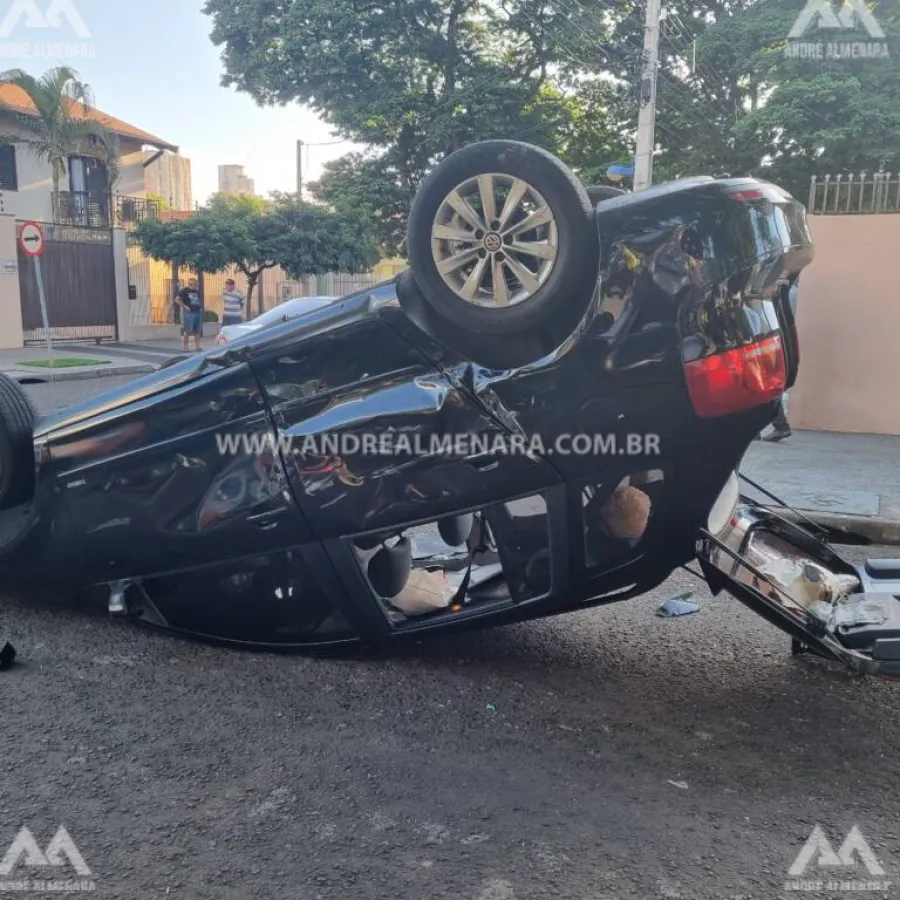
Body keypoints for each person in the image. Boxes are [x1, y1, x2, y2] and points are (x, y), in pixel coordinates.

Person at [762, 277, 799, 442]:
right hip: (777, 343)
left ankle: (780, 424)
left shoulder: (780, 298)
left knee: (765, 387)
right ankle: (778, 425)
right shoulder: (784, 296)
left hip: (772, 344)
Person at [176, 277, 203, 351]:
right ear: (191, 284)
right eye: (196, 285)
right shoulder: (184, 291)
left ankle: (197, 346)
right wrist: (185, 306)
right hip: (189, 313)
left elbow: (198, 301)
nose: (197, 286)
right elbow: (177, 300)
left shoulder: (197, 292)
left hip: (197, 312)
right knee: (187, 330)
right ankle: (185, 346)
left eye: (197, 284)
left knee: (197, 330)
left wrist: (200, 308)